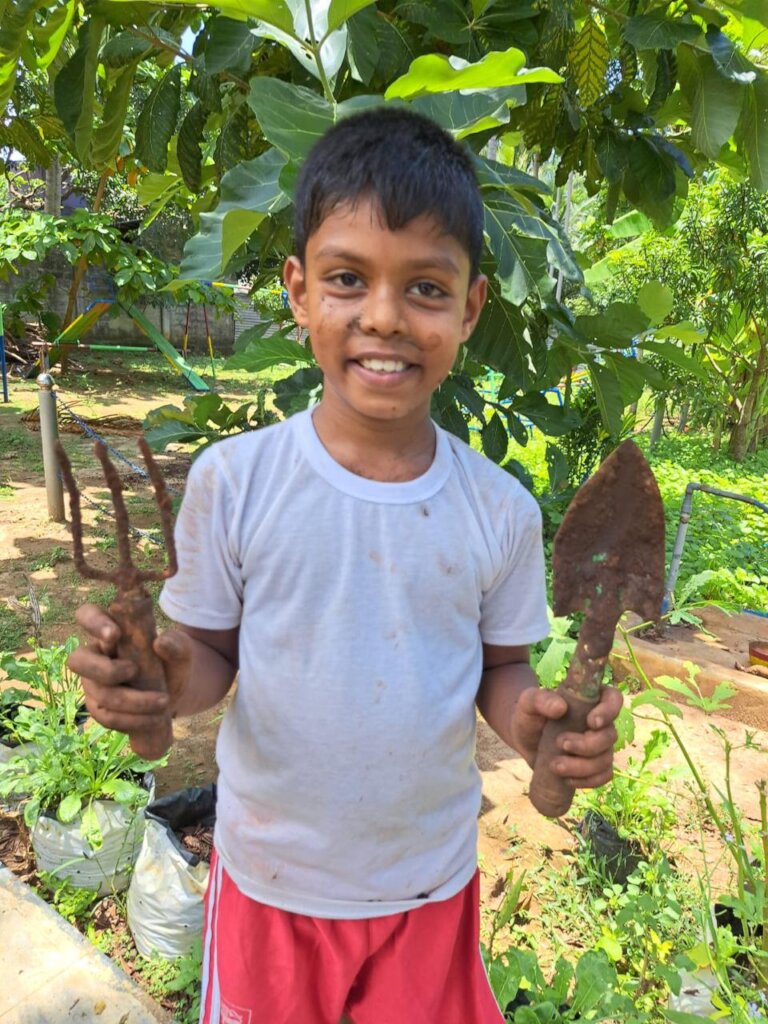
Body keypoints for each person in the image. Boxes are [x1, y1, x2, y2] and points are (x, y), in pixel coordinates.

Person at [70, 107, 622, 1024]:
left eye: (426, 288)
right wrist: (161, 683)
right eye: (346, 278)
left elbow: (502, 669)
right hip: (272, 881)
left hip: (426, 884)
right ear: (297, 292)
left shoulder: (500, 510)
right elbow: (210, 655)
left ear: (470, 309)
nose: (384, 317)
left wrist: (531, 725)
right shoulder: (235, 482)